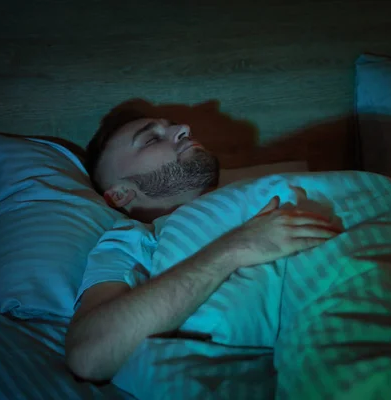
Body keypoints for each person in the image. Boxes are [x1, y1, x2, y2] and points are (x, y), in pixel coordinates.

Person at [64, 108, 339, 382]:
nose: (184, 127)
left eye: (172, 126)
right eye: (150, 139)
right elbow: (89, 354)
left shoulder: (264, 189)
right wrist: (235, 248)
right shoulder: (130, 239)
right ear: (121, 194)